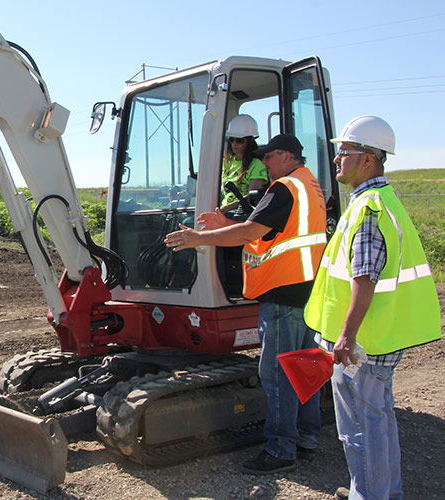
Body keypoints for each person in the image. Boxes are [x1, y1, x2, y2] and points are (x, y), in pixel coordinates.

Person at [164, 133, 327, 474]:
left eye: (268, 157)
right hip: (309, 294)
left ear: (285, 156)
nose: (263, 162)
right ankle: (307, 438)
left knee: (278, 375)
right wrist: (228, 224)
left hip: (284, 295)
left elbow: (250, 234)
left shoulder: (284, 187)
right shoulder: (309, 185)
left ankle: (281, 451)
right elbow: (272, 231)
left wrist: (199, 238)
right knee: (304, 370)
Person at [303, 116, 441, 500]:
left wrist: (346, 338)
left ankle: (371, 495)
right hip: (378, 339)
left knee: (361, 428)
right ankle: (381, 492)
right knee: (377, 423)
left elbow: (365, 278)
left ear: (367, 159)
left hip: (362, 346)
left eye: (343, 153)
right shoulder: (380, 202)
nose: (336, 160)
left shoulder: (369, 211)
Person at [220, 114, 268, 214]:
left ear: (249, 141)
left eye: (239, 140)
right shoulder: (226, 162)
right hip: (224, 211)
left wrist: (224, 209)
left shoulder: (257, 164)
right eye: (231, 139)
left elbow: (252, 196)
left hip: (242, 213)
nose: (234, 144)